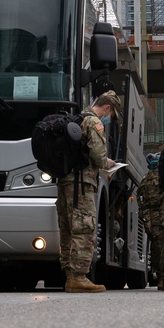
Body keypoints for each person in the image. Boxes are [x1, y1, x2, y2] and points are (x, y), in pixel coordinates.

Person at [57, 90, 120, 293]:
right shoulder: (94, 122)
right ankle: (78, 277)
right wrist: (108, 162)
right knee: (85, 228)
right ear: (107, 107)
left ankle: (69, 275)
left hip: (65, 181)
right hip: (81, 184)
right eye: (112, 115)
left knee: (68, 229)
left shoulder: (75, 118)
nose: (110, 119)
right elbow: (99, 156)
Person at [138, 153, 164, 289]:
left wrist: (146, 220)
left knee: (158, 247)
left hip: (153, 215)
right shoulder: (162, 177)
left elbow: (142, 204)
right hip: (161, 214)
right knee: (163, 247)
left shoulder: (145, 180)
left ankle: (162, 277)